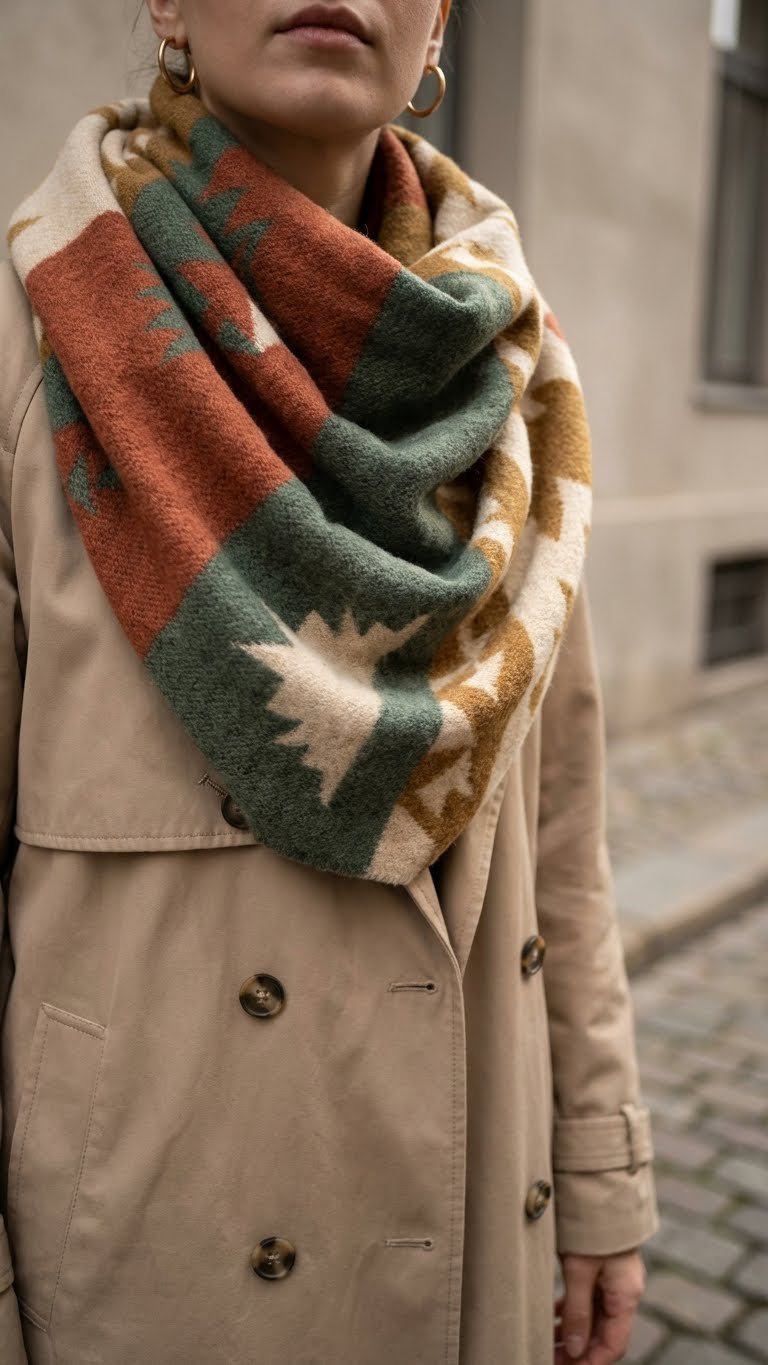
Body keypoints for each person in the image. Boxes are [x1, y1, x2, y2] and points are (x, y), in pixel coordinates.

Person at [0, 1, 658, 1361]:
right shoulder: (34, 336)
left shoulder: (520, 380)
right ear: (167, 4)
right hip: (147, 1260)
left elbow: (563, 845)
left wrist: (599, 1161)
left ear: (436, 29)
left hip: (468, 1234)